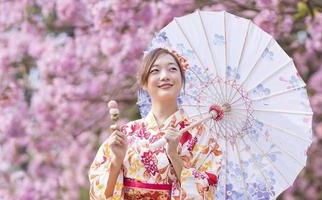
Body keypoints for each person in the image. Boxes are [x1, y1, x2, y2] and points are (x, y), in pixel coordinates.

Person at [89, 48, 222, 200]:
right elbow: (99, 193)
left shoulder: (200, 135)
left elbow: (206, 192)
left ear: (181, 79)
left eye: (172, 69)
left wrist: (174, 155)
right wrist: (116, 160)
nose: (164, 76)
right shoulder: (126, 133)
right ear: (144, 83)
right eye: (155, 71)